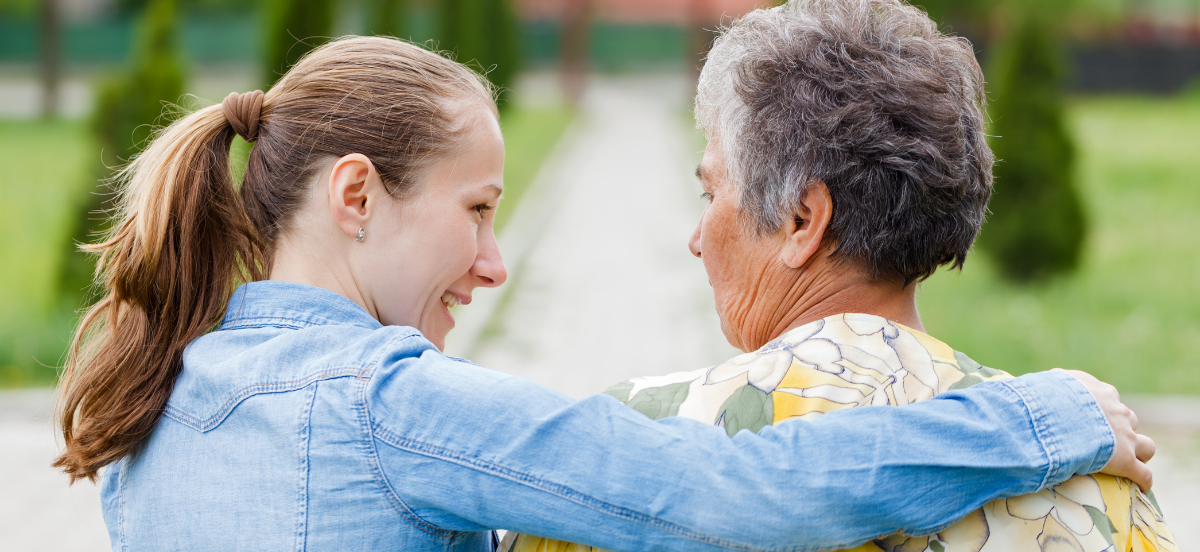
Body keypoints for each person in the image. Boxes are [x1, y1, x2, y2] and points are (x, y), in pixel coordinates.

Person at [53, 36, 1148, 551]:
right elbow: (729, 492)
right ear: (355, 194)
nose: (495, 261)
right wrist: (1039, 416)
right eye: (478, 209)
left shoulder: (146, 404)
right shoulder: (389, 405)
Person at [507, 0, 1174, 552]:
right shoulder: (1103, 473)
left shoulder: (626, 453)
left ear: (803, 219)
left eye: (711, 194)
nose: (695, 240)